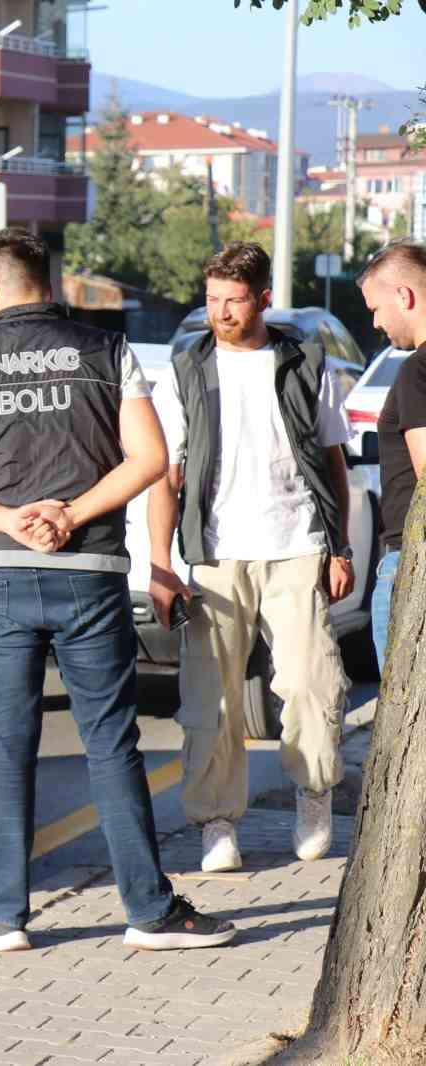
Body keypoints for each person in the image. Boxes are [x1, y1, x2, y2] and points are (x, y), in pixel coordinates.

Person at [0, 228, 235, 953]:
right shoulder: (108, 352)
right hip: (87, 576)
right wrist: (72, 515)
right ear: (51, 285)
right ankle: (149, 912)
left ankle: (2, 914)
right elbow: (149, 458)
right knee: (112, 743)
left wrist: (8, 522)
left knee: (7, 747)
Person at [148, 242, 352, 875]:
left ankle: (314, 795)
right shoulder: (184, 371)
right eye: (211, 299)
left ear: (263, 297)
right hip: (216, 555)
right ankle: (217, 822)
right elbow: (166, 477)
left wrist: (339, 545)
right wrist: (161, 564)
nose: (220, 312)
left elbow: (334, 462)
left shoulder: (305, 364)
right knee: (210, 700)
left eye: (233, 299)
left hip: (297, 546)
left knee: (312, 684)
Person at [357, 241, 426, 674]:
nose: (377, 323)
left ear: (405, 296)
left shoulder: (418, 370)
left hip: (413, 561)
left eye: (376, 309)